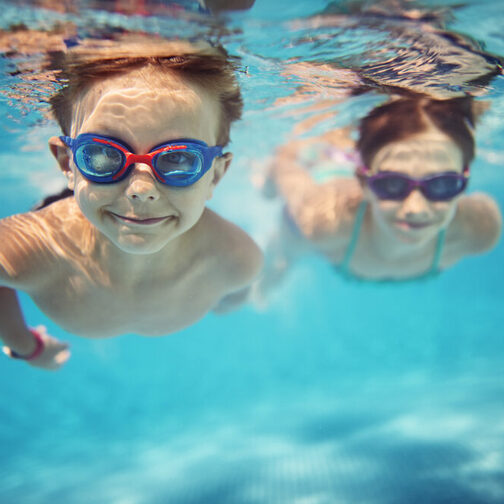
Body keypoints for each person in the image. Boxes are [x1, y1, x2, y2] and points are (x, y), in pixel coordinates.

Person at [0, 37, 263, 370]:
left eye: (178, 159)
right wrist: (23, 344)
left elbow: (238, 291)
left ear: (215, 175)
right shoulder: (39, 248)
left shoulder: (236, 260)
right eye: (102, 153)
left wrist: (229, 298)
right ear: (68, 164)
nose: (140, 189)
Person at [257, 96, 501, 297]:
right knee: (285, 254)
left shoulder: (480, 230)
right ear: (363, 183)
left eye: (442, 185)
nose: (416, 208)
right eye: (392, 184)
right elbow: (284, 164)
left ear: (464, 181)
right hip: (323, 184)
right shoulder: (324, 220)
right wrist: (269, 187)